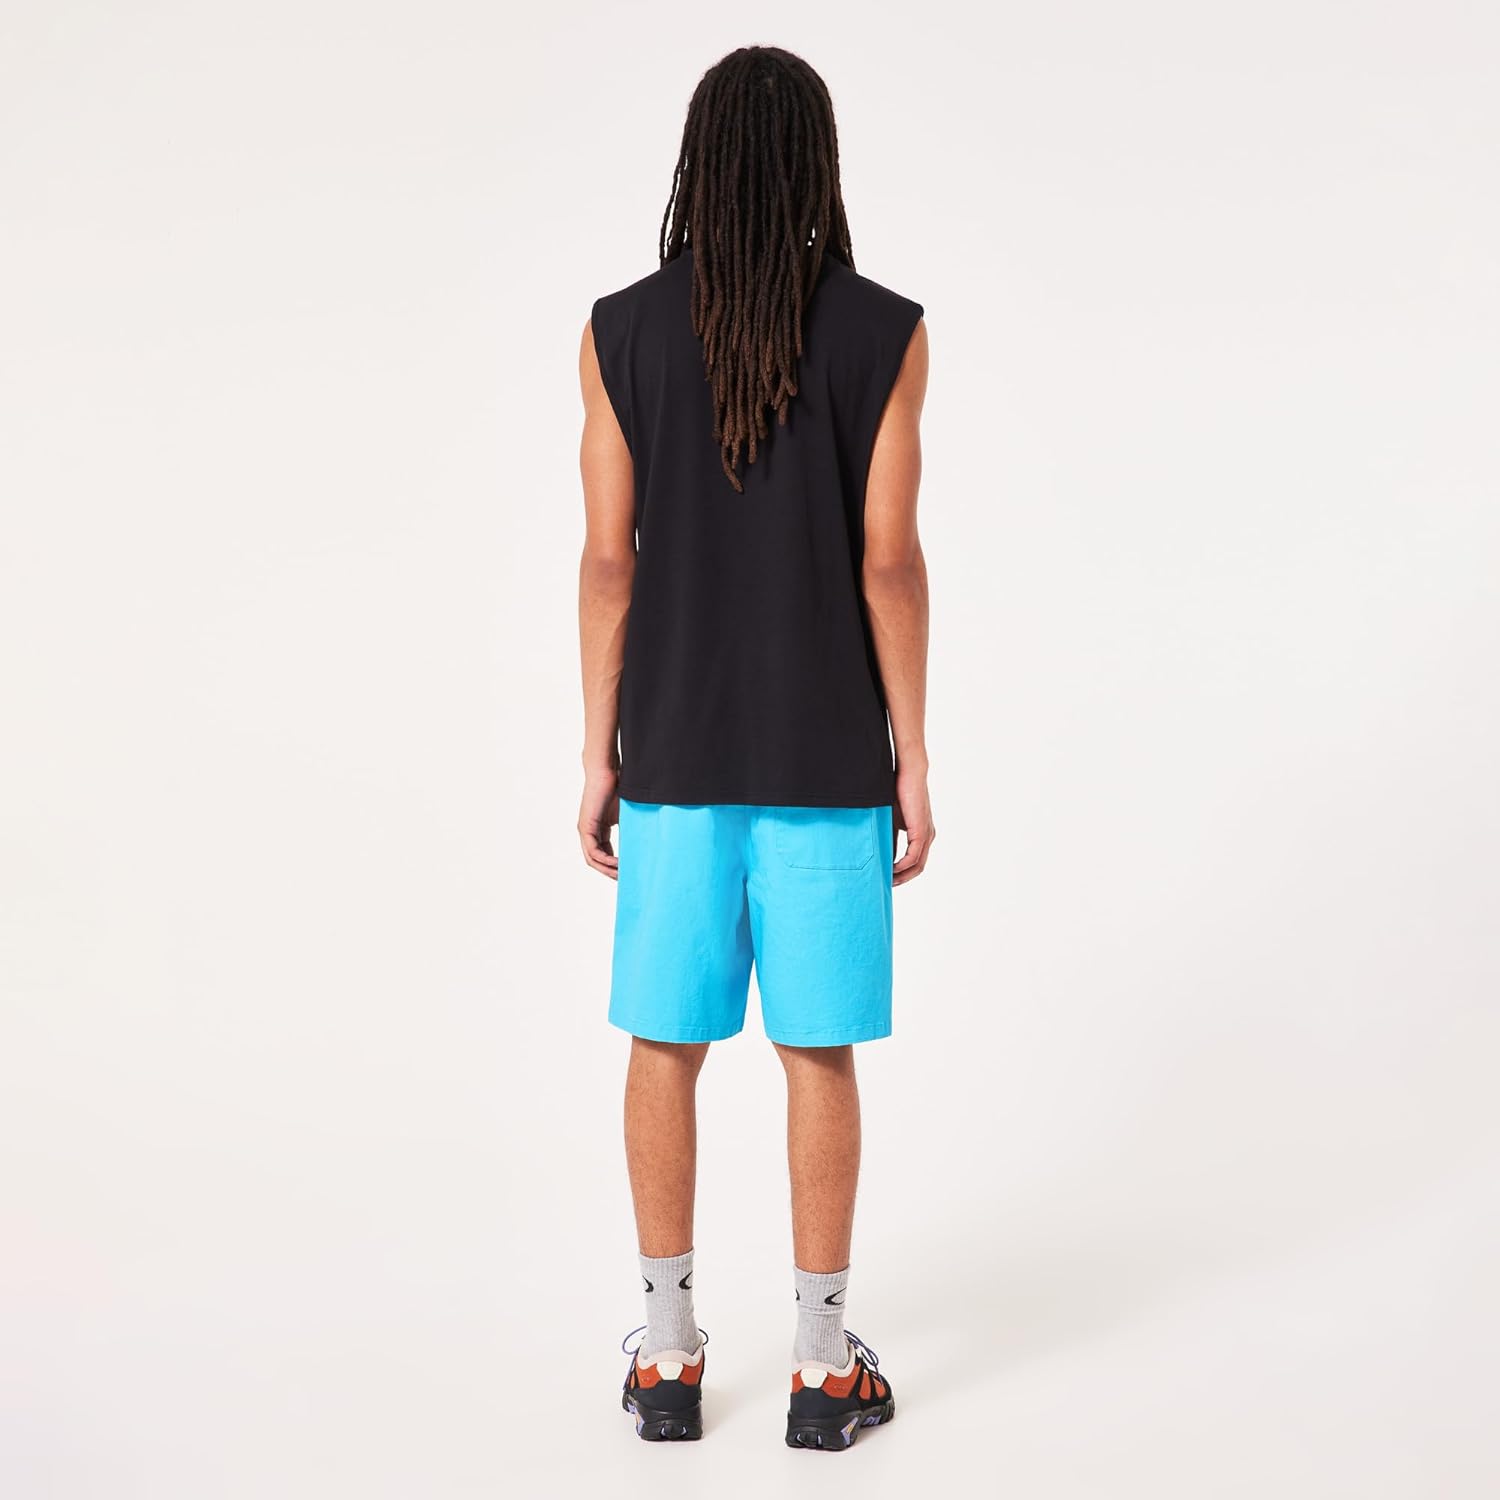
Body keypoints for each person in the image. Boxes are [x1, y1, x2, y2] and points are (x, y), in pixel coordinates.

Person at [576, 44, 932, 1450]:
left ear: (698, 162)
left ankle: (667, 1359)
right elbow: (888, 562)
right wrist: (913, 752)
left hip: (671, 744)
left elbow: (609, 562)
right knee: (816, 1051)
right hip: (828, 753)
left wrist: (598, 749)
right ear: (817, 165)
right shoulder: (886, 332)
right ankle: (823, 1370)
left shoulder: (619, 331)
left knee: (665, 1044)